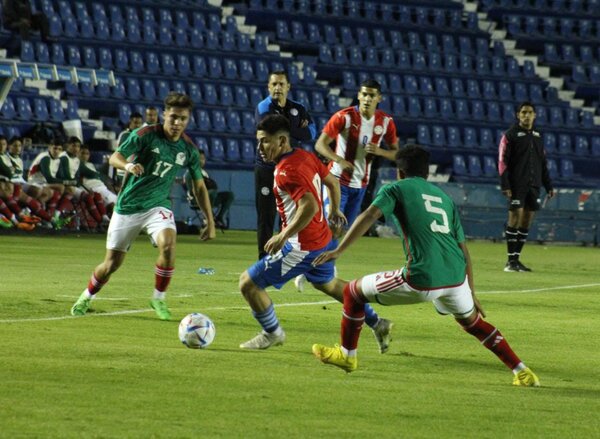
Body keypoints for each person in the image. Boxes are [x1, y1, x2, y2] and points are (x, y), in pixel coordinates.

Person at [311, 145, 540, 387]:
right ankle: (522, 371)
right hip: (456, 278)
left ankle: (347, 356)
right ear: (427, 173)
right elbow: (464, 250)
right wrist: (471, 292)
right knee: (474, 324)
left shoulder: (395, 188)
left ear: (399, 172)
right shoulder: (444, 198)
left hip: (422, 276)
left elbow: (368, 216)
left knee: (352, 292)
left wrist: (338, 250)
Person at [238, 115, 393, 351]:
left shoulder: (285, 171)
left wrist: (282, 235)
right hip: (321, 239)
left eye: (265, 142)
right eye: (258, 142)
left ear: (281, 140)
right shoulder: (305, 156)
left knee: (248, 284)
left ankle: (272, 333)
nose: (260, 148)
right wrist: (336, 209)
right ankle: (377, 322)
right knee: (329, 285)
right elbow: (331, 181)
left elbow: (308, 205)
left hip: (303, 245)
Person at [70, 92, 216, 319]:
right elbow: (114, 157)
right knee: (111, 264)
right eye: (173, 117)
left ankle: (158, 299)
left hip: (158, 206)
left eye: (183, 119)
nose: (177, 123)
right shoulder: (145, 135)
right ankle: (86, 296)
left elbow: (199, 186)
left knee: (168, 245)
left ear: (188, 120)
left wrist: (210, 221)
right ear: (164, 114)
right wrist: (127, 166)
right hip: (128, 206)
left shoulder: (189, 149)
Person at [315, 79, 399, 228]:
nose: (367, 99)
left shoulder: (386, 122)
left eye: (372, 95)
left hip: (360, 185)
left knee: (344, 229)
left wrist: (380, 151)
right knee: (332, 226)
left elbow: (396, 154)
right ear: (359, 95)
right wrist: (339, 160)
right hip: (336, 180)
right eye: (364, 94)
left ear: (379, 98)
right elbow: (320, 145)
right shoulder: (344, 117)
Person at [254, 70, 317, 260]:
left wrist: (289, 129)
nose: (277, 88)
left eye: (281, 84)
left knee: (293, 215)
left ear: (288, 87)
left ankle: (289, 257)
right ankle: (264, 259)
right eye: (274, 84)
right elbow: (272, 131)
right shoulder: (263, 107)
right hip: (267, 169)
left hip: (291, 170)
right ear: (268, 87)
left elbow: (312, 134)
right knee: (266, 216)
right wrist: (297, 128)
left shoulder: (298, 107)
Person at [498, 101, 555, 272]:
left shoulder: (538, 136)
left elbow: (542, 163)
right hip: (517, 185)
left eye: (530, 112)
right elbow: (502, 162)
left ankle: (516, 260)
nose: (526, 115)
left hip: (534, 185)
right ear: (518, 115)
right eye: (523, 112)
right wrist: (505, 185)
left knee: (526, 222)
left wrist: (548, 185)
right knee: (514, 219)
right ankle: (509, 262)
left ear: (535, 115)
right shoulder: (510, 135)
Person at [194, 149, 234, 229]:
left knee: (229, 195)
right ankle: (208, 217)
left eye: (203, 159)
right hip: (198, 200)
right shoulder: (191, 172)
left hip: (210, 198)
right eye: (199, 159)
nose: (201, 161)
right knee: (212, 193)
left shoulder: (204, 172)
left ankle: (219, 217)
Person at [79, 145, 117, 211]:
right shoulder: (77, 165)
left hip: (102, 187)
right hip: (94, 189)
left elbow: (98, 177)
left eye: (87, 154)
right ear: (78, 153)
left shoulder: (90, 164)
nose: (85, 156)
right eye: (82, 153)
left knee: (120, 203)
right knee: (112, 206)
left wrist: (109, 186)